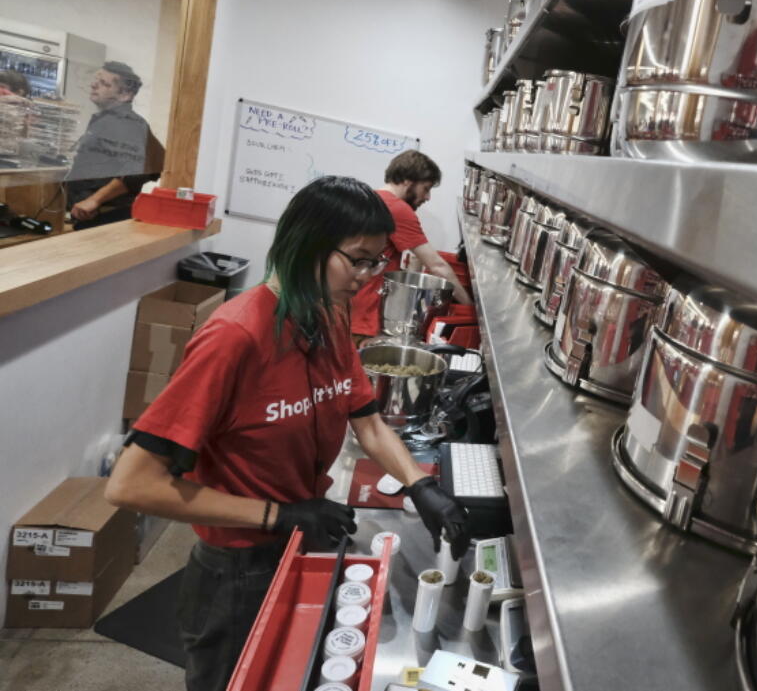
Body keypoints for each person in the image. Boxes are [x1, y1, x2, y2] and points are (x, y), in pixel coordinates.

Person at [105, 176, 470, 691]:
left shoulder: (330, 315)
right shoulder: (235, 337)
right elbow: (130, 484)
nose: (368, 277)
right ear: (307, 245)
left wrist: (420, 486)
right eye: (358, 260)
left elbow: (364, 418)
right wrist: (280, 513)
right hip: (235, 568)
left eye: (377, 260)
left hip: (293, 539)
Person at [350, 149, 473, 344]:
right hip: (364, 314)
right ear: (408, 181)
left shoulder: (372, 198)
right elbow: (438, 266)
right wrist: (470, 308)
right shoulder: (398, 209)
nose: (428, 197)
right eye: (426, 188)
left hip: (351, 307)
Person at [64, 61, 164, 228]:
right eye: (96, 80)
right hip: (91, 215)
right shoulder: (106, 120)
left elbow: (136, 173)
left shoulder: (127, 123)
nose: (94, 85)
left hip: (106, 216)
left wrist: (94, 200)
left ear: (125, 95)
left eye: (104, 83)